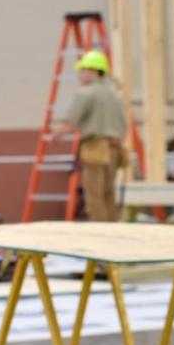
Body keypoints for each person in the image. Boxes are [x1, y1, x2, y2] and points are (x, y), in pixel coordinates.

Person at [54, 49, 128, 222]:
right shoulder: (115, 96)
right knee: (109, 192)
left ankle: (100, 232)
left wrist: (55, 135)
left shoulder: (85, 93)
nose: (81, 74)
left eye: (84, 70)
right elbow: (124, 126)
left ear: (95, 71)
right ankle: (113, 230)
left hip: (95, 147)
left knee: (94, 194)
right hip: (115, 148)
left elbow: (71, 123)